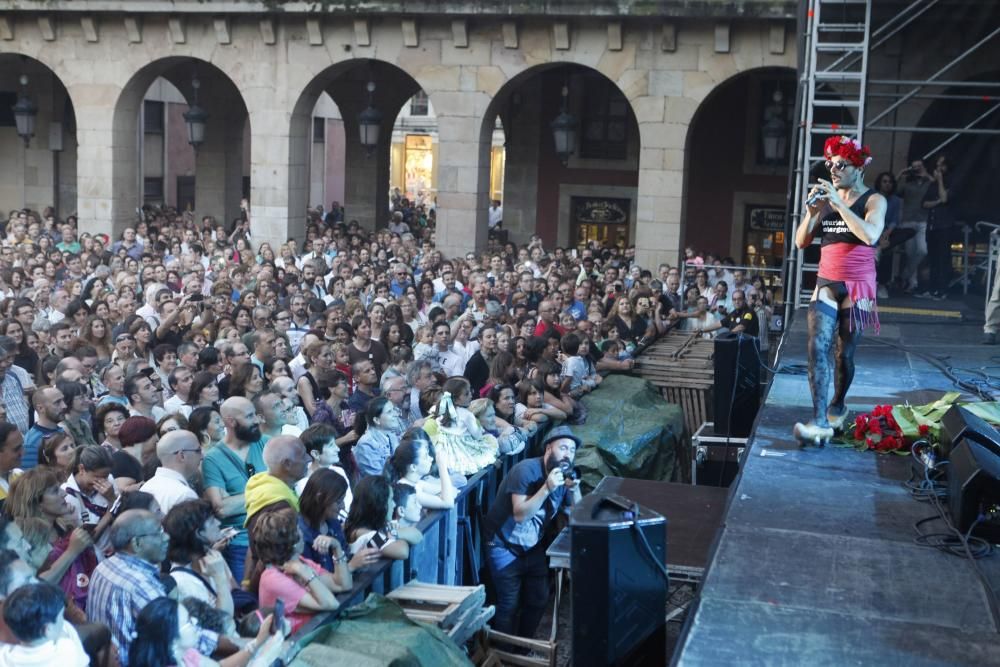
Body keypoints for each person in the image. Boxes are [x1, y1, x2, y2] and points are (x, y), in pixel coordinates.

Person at [793, 136, 886, 445]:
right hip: (826, 282)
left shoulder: (874, 200)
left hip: (858, 286)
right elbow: (800, 242)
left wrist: (837, 203)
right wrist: (812, 212)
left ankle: (838, 404)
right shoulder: (828, 197)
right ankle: (818, 420)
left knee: (843, 353)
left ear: (858, 168)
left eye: (841, 165)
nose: (833, 170)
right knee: (816, 347)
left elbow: (870, 235)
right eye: (830, 164)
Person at [483, 428, 583, 637]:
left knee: (538, 598)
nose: (568, 454)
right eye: (563, 447)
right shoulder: (526, 471)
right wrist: (546, 488)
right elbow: (520, 515)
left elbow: (578, 517)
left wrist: (574, 490)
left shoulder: (563, 477)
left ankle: (523, 648)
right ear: (549, 448)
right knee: (509, 603)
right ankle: (504, 653)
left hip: (531, 545)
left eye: (572, 450)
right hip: (501, 544)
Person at [88, 509, 219, 667]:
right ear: (136, 543)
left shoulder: (104, 566)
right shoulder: (141, 584)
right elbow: (184, 640)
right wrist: (246, 645)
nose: (166, 537)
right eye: (158, 533)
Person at [251, 507, 349, 635]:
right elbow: (331, 604)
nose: (302, 533)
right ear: (291, 542)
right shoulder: (272, 579)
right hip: (295, 646)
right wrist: (305, 572)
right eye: (298, 529)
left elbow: (342, 584)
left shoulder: (299, 561)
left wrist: (337, 547)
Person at [202, 397, 266, 584]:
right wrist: (270, 490)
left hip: (277, 535)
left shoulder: (267, 444)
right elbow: (222, 509)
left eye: (255, 414)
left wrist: (235, 500)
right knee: (247, 603)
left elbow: (288, 485)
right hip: (241, 544)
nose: (257, 420)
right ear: (231, 422)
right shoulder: (213, 459)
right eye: (249, 416)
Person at [129, 596, 283, 667]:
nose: (195, 622)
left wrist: (258, 642)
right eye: (188, 622)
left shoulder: (187, 654)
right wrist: (263, 659)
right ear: (172, 638)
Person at [0, 581, 89, 667]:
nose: (63, 622)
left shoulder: (3, 657)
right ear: (48, 630)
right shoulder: (66, 650)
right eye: (61, 616)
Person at [141, 430, 202, 515]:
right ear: (182, 456)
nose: (202, 456)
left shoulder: (146, 487)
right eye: (198, 450)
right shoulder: (184, 495)